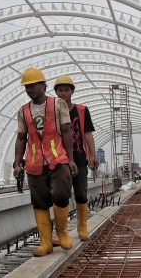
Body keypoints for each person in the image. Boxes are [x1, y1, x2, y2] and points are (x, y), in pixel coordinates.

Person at [13, 67, 77, 257]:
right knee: (39, 202)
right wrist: (17, 164)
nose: (29, 89)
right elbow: (21, 138)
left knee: (61, 194)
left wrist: (71, 160)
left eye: (33, 85)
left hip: (58, 158)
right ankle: (45, 243)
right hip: (34, 163)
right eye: (26, 86)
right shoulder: (23, 111)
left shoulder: (58, 104)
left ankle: (62, 232)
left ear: (43, 85)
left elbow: (66, 132)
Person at [53, 75, 100, 244]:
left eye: (66, 90)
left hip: (79, 159)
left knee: (81, 193)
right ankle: (61, 233)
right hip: (59, 160)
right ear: (56, 93)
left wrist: (92, 155)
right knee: (61, 196)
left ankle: (82, 228)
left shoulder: (81, 110)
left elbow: (87, 134)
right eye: (60, 90)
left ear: (72, 92)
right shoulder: (51, 111)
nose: (63, 93)